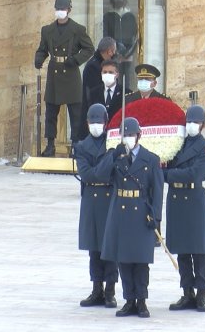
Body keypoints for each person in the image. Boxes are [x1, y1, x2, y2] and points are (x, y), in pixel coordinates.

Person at [95, 117, 164, 318]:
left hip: (142, 212)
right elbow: (99, 175)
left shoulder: (150, 159)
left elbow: (157, 191)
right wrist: (113, 155)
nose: (128, 139)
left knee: (141, 261)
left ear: (139, 136)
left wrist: (156, 217)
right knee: (124, 260)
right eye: (125, 135)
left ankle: (141, 300)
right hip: (121, 213)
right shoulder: (117, 157)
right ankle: (129, 300)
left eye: (131, 135)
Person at [164, 105, 205, 313]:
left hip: (194, 198)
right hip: (177, 199)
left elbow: (196, 174)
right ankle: (187, 292)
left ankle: (201, 293)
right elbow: (163, 168)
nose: (191, 126)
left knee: (199, 249)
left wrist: (170, 174)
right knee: (182, 249)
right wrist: (170, 173)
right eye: (188, 122)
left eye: (195, 122)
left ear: (203, 125)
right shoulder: (176, 145)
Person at [34, 0, 95, 157]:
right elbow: (43, 49)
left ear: (69, 10)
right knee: (51, 113)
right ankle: (50, 144)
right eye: (58, 8)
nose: (60, 11)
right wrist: (39, 57)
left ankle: (75, 144)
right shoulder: (47, 30)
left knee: (75, 114)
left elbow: (89, 49)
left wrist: (75, 60)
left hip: (71, 72)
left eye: (63, 8)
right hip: (54, 72)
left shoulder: (77, 29)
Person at [75, 104, 118, 309]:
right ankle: (96, 288)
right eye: (92, 122)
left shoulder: (114, 142)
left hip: (110, 198)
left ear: (106, 122)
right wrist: (109, 158)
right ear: (87, 123)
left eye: (99, 122)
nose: (96, 126)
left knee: (110, 247)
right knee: (94, 246)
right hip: (92, 198)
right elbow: (90, 175)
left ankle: (110, 290)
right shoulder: (82, 147)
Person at [103, 0, 138, 87]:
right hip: (113, 53)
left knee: (127, 81)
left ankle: (127, 100)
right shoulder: (108, 16)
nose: (118, 1)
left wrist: (128, 53)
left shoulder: (130, 16)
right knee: (114, 79)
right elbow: (106, 35)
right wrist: (115, 51)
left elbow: (135, 36)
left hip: (128, 54)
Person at [82, 37, 116, 111]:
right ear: (109, 51)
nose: (114, 54)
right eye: (113, 51)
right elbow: (94, 92)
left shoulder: (100, 63)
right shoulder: (93, 67)